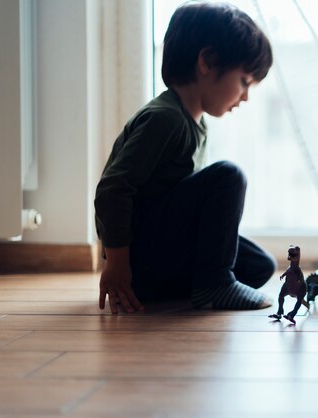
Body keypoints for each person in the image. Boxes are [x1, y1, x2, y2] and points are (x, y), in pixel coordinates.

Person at [94, 1, 276, 314]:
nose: (245, 97)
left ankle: (200, 286)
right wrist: (118, 265)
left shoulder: (195, 124)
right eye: (244, 82)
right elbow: (112, 189)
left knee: (260, 266)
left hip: (160, 254)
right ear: (207, 62)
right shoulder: (166, 119)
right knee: (228, 175)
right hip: (139, 258)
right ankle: (212, 285)